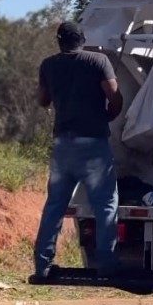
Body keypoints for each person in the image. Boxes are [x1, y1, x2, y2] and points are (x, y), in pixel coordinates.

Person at [31, 21, 124, 282]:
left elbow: (43, 100)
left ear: (59, 41)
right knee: (105, 204)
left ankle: (42, 265)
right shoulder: (98, 61)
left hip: (63, 145)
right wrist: (107, 116)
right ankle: (106, 262)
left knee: (55, 206)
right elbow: (115, 97)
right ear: (82, 39)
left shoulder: (48, 65)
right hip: (93, 144)